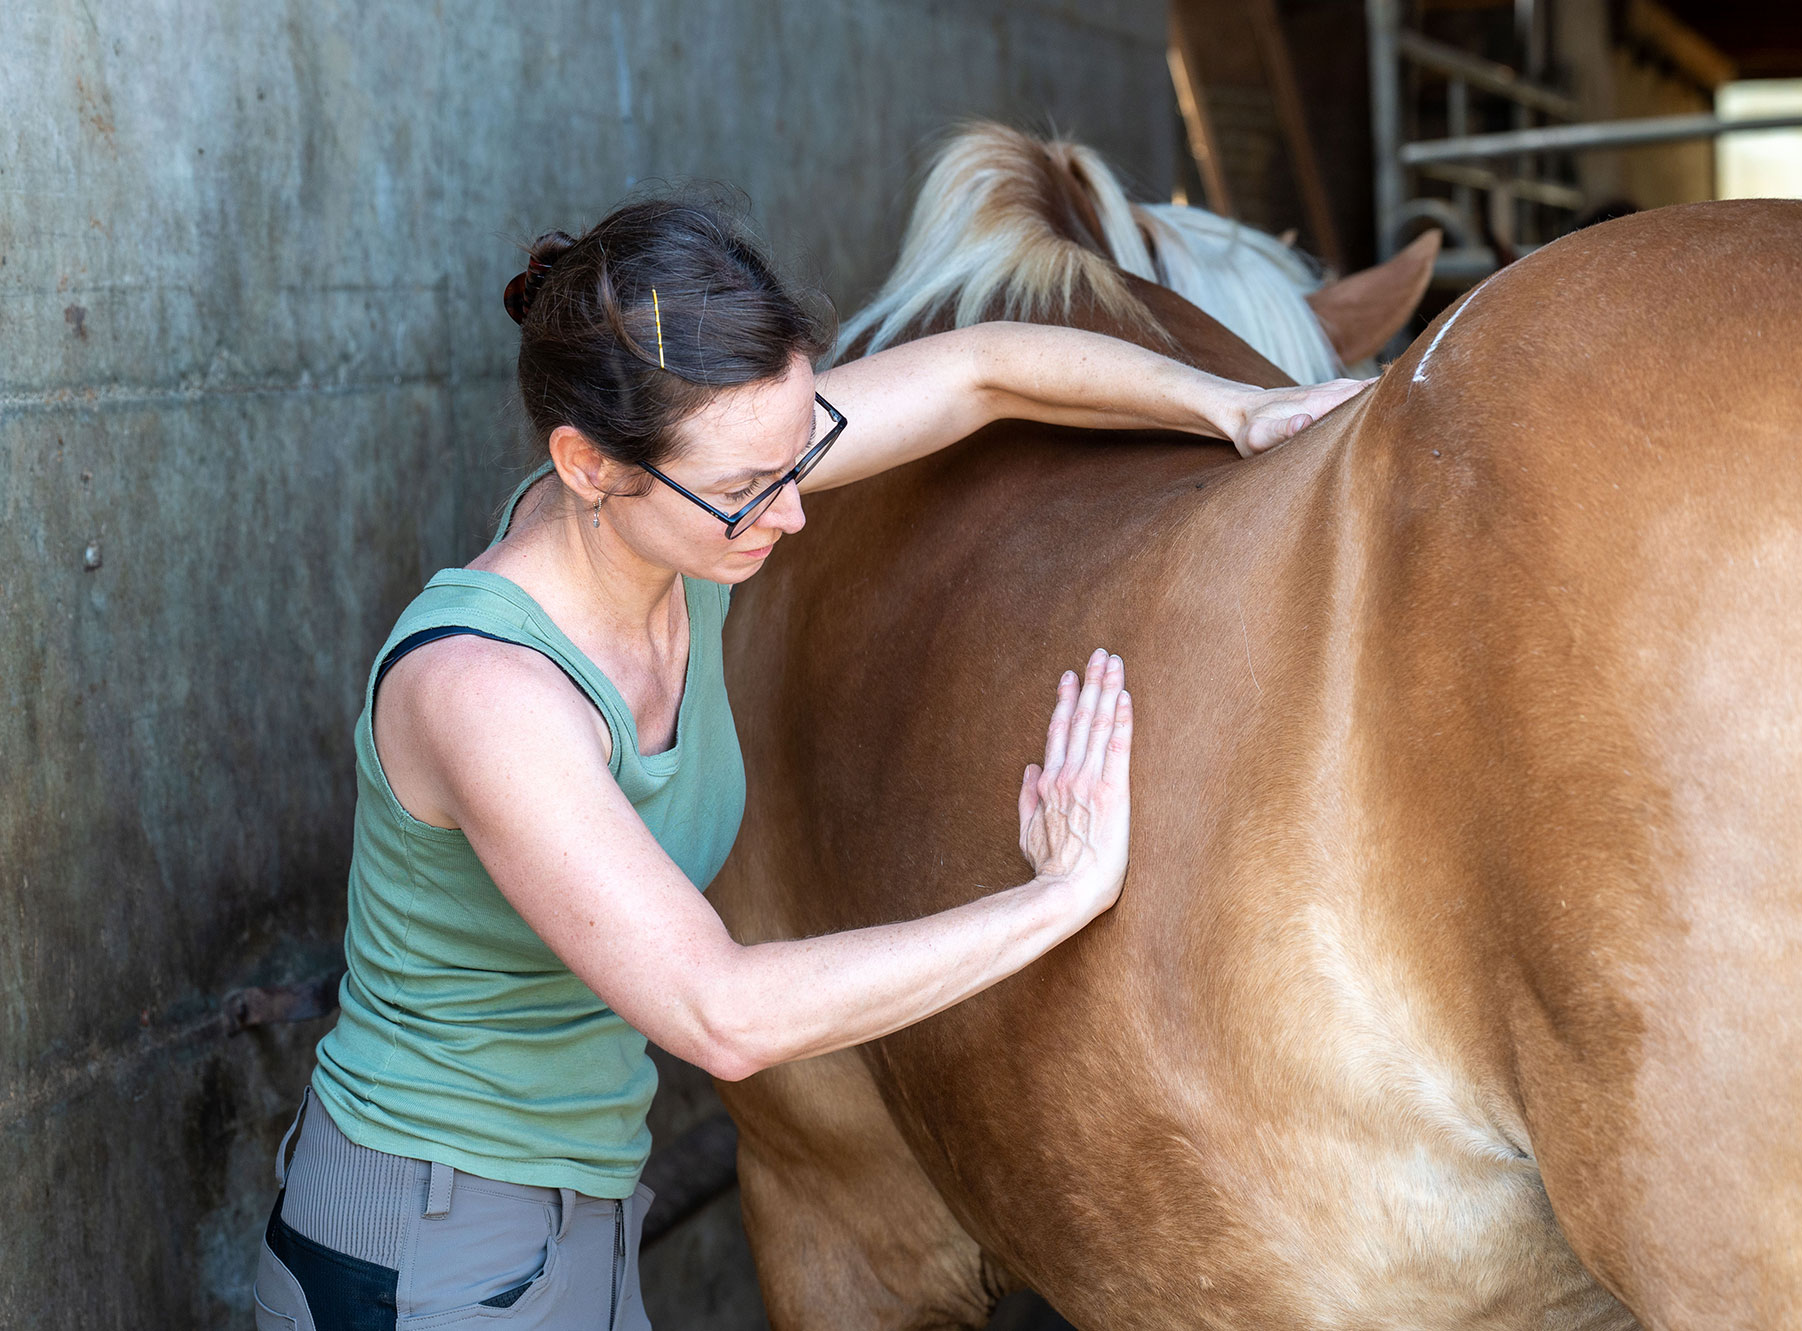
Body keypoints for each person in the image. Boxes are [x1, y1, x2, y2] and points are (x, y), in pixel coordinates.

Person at [251, 193, 1368, 1330]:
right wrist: (1058, 897)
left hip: (567, 1208)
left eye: (799, 460)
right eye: (748, 487)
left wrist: (1237, 406)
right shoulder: (486, 693)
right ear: (585, 464)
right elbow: (721, 1011)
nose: (790, 515)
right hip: (421, 1241)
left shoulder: (677, 516)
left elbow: (982, 371)